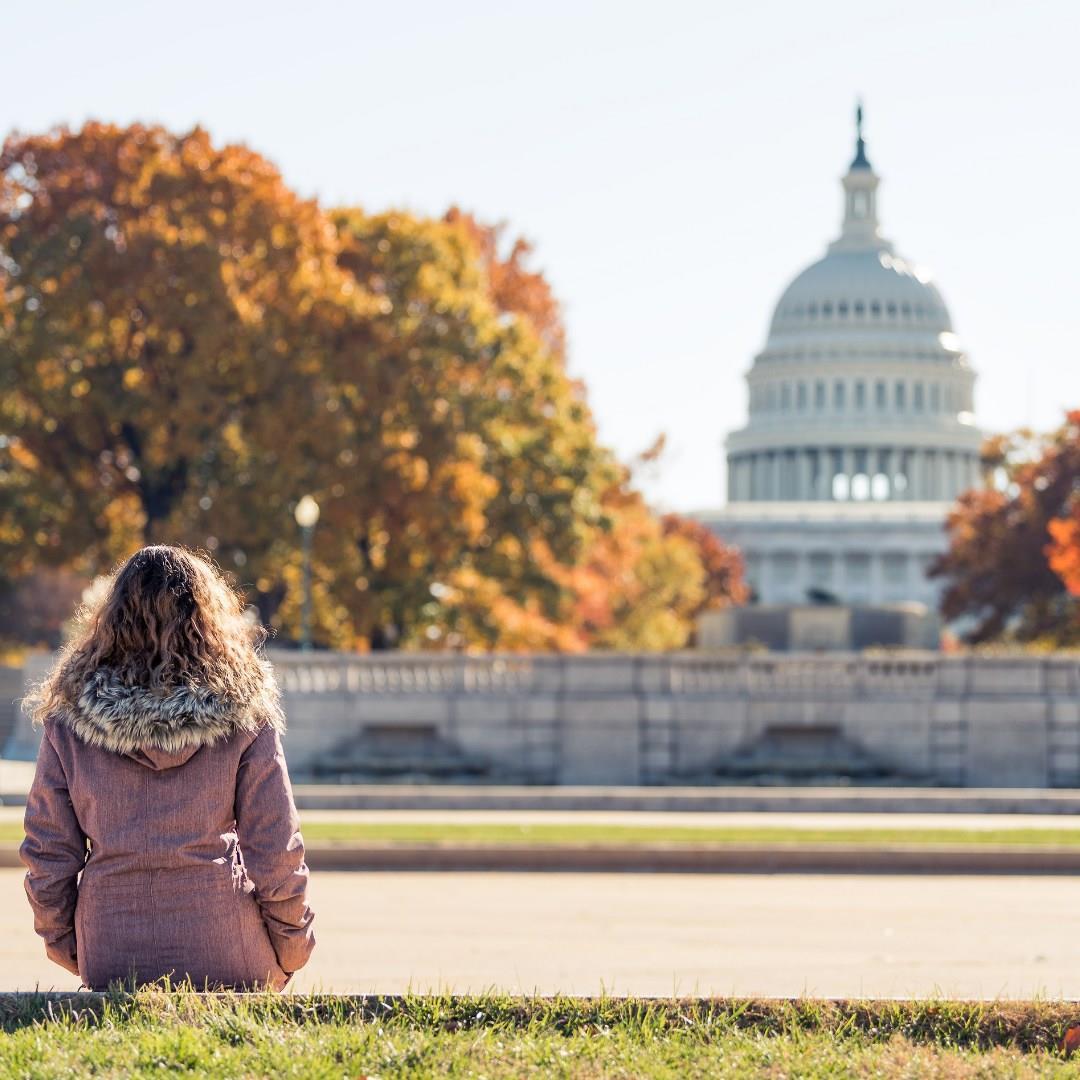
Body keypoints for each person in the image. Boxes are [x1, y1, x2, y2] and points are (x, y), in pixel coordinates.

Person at [19, 545, 316, 991]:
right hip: (226, 946)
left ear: (111, 618)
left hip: (110, 947)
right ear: (208, 619)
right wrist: (292, 947)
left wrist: (67, 943)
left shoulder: (70, 721)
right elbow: (276, 848)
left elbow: (49, 852)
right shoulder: (244, 714)